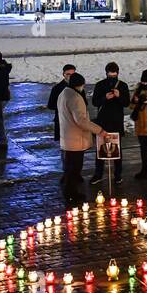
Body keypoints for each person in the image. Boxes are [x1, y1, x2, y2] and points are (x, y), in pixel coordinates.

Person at [56, 72, 102, 205]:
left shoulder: (64, 94)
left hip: (67, 137)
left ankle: (70, 192)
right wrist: (99, 130)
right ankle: (71, 194)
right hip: (76, 139)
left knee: (70, 168)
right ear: (79, 85)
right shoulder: (75, 98)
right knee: (75, 169)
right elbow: (81, 120)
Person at [90, 62, 129, 185]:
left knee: (117, 149)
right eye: (110, 75)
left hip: (116, 121)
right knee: (100, 149)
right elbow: (95, 102)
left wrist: (119, 96)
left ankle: (118, 175)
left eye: (114, 75)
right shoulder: (100, 85)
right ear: (106, 73)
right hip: (103, 121)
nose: (112, 77)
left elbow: (126, 103)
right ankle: (98, 174)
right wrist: (104, 98)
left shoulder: (122, 86)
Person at [47, 64, 76, 141]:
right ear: (64, 74)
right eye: (68, 74)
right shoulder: (57, 88)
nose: (70, 76)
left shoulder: (77, 87)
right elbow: (50, 105)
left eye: (73, 74)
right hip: (62, 121)